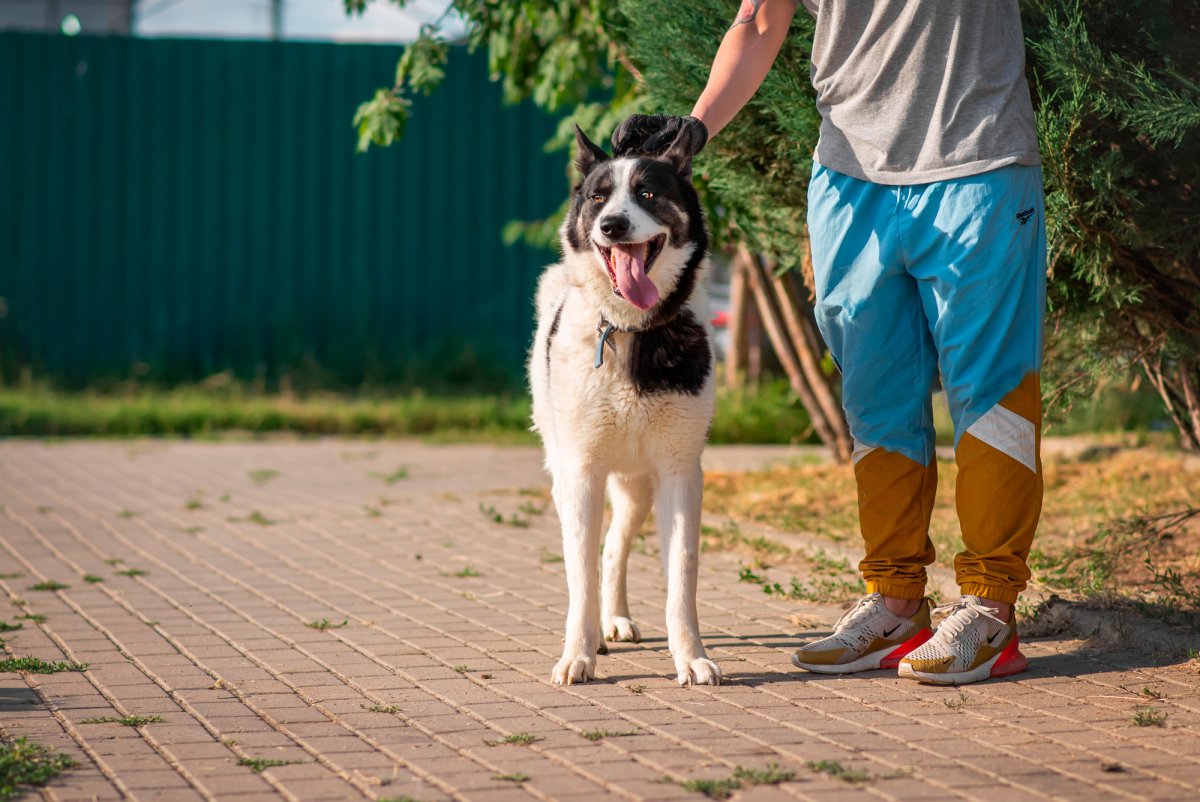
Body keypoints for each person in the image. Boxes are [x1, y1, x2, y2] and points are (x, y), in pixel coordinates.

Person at [613, 0, 1045, 685]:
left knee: (990, 392)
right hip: (849, 183)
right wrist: (694, 130)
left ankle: (991, 609)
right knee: (875, 396)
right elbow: (759, 22)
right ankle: (896, 602)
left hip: (979, 162)